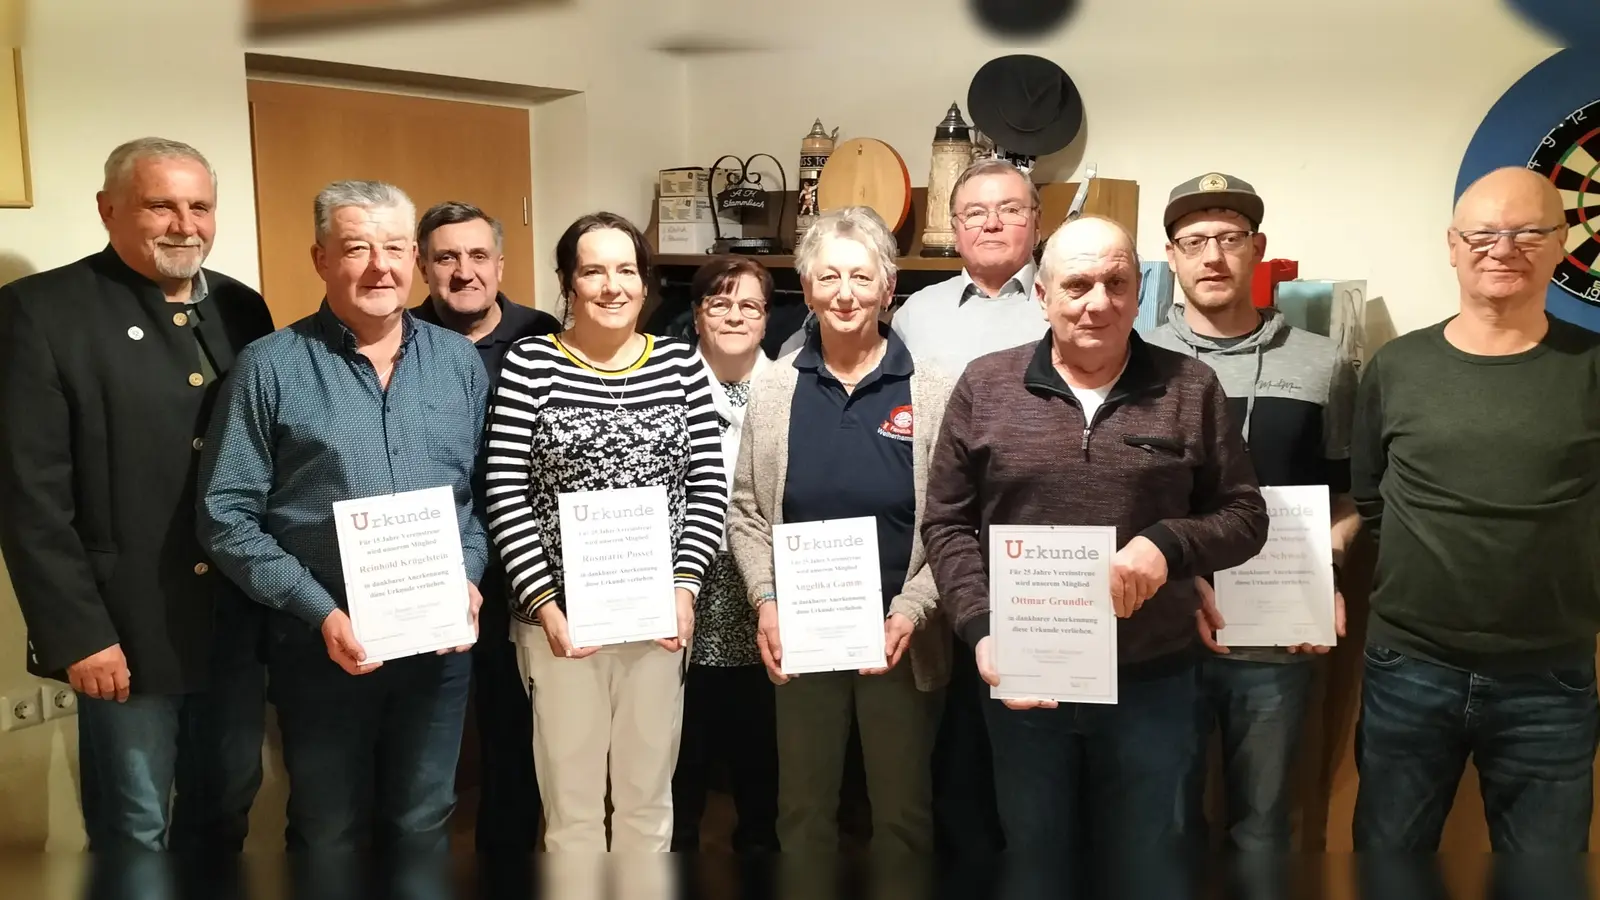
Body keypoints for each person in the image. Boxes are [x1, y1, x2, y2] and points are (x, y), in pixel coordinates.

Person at [922, 216, 1268, 895]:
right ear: (1043, 296)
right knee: (1035, 864)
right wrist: (981, 628)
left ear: (1139, 293)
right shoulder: (985, 386)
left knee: (1149, 867)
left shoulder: (1190, 388)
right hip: (1025, 678)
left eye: (1116, 283)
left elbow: (1245, 515)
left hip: (1153, 684)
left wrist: (1169, 546)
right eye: (1077, 285)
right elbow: (948, 523)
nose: (1097, 302)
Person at [199, 180, 488, 858]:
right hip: (320, 645)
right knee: (328, 830)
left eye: (394, 248)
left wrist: (468, 578)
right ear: (321, 258)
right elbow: (226, 515)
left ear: (414, 258)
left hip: (436, 651)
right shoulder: (270, 367)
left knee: (423, 821)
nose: (379, 267)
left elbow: (473, 499)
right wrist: (320, 611)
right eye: (356, 248)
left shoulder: (457, 361)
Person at [0, 137, 272, 854]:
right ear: (108, 209)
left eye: (200, 205)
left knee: (227, 805)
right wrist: (78, 632)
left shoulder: (245, 308)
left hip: (235, 621)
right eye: (161, 204)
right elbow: (30, 496)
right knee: (133, 826)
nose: (185, 223)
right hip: (122, 627)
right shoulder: (39, 310)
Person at [1351, 166, 1600, 855]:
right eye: (1484, 234)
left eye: (1528, 233)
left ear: (1562, 243)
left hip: (1550, 677)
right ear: (1453, 245)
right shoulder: (1397, 367)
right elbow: (1372, 493)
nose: (1503, 249)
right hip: (1409, 667)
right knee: (1389, 866)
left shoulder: (1591, 367)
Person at [484, 211, 727, 853]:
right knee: (572, 811)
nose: (611, 285)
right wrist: (544, 604)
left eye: (626, 270)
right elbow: (504, 492)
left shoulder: (679, 364)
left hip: (656, 624)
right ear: (568, 281)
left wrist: (684, 591)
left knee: (649, 804)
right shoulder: (529, 363)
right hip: (562, 630)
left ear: (646, 284)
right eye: (593, 270)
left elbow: (706, 489)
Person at [1144, 173, 1360, 861]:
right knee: (1163, 825)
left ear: (1257, 249)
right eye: (1196, 240)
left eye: (1230, 238)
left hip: (1275, 639)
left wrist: (1321, 572)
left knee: (1265, 831)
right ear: (1172, 255)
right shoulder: (1139, 360)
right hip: (1164, 634)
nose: (1213, 256)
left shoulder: (1323, 363)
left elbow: (1350, 496)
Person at [727, 206, 951, 861]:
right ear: (808, 286)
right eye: (829, 277)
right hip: (803, 635)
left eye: (862, 276)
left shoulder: (933, 389)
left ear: (888, 289)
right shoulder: (774, 389)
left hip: (900, 644)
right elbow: (746, 512)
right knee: (801, 815)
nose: (846, 293)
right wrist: (766, 601)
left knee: (904, 819)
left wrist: (913, 609)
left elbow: (954, 522)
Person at [889, 157, 1045, 854]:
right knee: (948, 742)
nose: (990, 222)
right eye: (974, 211)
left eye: (1009, 208)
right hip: (939, 549)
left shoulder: (1065, 299)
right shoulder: (917, 314)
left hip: (1042, 552)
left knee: (1033, 743)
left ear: (1035, 222)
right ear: (952, 227)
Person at [411, 200, 559, 855]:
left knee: (515, 732)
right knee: (420, 735)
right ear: (423, 265)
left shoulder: (543, 333)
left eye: (477, 256)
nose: (464, 271)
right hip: (424, 567)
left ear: (500, 263)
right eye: (446, 257)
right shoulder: (400, 333)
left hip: (522, 570)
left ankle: (506, 866)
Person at [670, 256, 779, 853]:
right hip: (685, 595)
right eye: (720, 303)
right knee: (682, 751)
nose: (735, 316)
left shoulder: (790, 386)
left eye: (749, 306)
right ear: (696, 314)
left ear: (767, 318)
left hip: (763, 595)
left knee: (761, 754)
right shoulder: (665, 381)